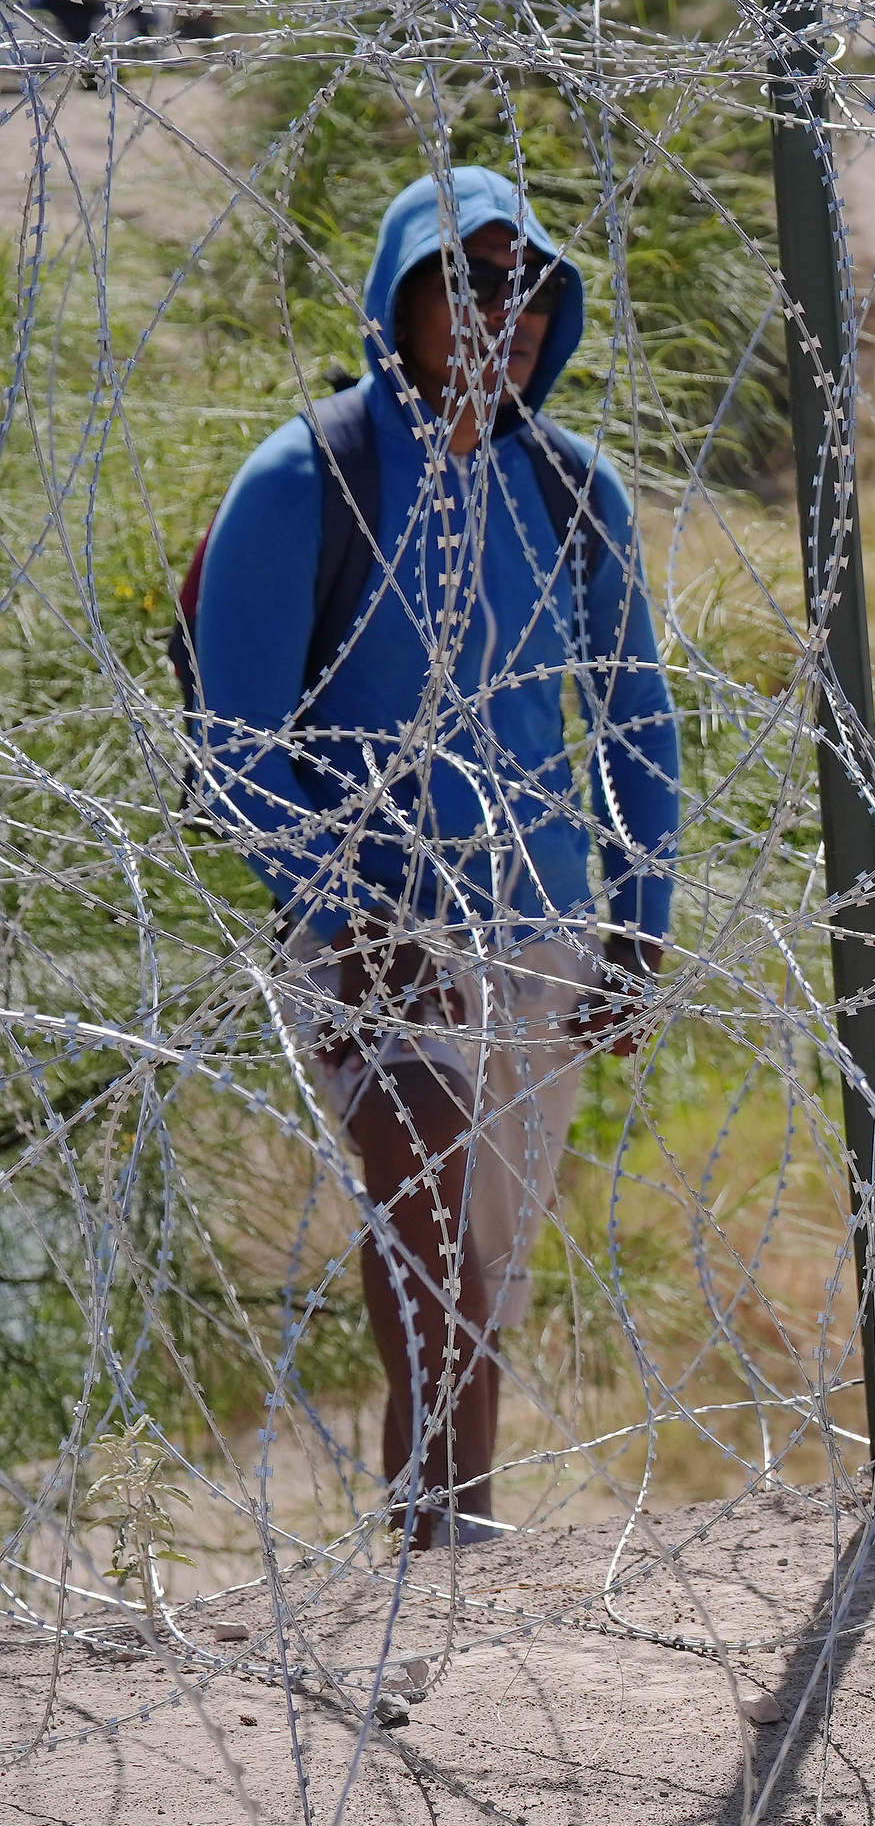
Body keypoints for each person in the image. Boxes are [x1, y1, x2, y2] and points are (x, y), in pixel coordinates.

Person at [195, 171, 680, 1549]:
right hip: (375, 938)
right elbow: (234, 748)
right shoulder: (310, 478)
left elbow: (632, 717)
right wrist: (350, 913)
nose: (502, 311)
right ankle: (437, 1543)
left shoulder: (574, 492)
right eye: (467, 277)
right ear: (398, 292)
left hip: (542, 926)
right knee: (428, 1227)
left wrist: (639, 922)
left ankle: (451, 1537)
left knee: (487, 1264)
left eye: (526, 282)